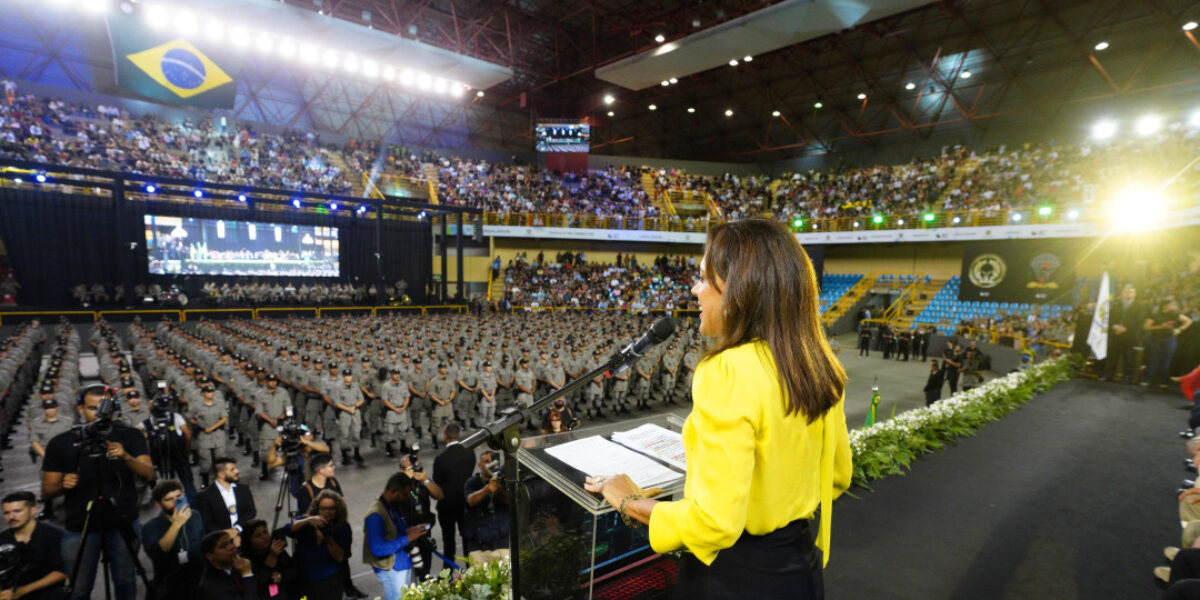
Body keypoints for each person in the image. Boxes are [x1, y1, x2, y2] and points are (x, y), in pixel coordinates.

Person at [586, 218, 851, 599]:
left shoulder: (729, 371)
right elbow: (837, 477)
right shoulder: (818, 362)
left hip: (734, 576)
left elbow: (714, 524)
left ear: (742, 291)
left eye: (704, 279)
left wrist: (629, 500)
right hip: (798, 569)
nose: (695, 291)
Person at [41, 385, 154, 600]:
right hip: (81, 524)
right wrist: (63, 484)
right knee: (80, 586)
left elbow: (149, 474)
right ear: (80, 408)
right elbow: (47, 490)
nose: (99, 415)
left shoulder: (129, 435)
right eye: (92, 408)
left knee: (125, 580)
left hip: (123, 520)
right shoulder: (61, 442)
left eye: (104, 408)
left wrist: (126, 457)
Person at [363, 472, 431, 599]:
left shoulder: (390, 506)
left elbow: (395, 531)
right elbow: (378, 549)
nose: (406, 498)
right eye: (405, 494)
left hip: (401, 565)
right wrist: (408, 538)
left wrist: (411, 530)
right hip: (391, 571)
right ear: (394, 492)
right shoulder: (375, 515)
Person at [140, 480, 205, 600]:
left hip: (199, 578)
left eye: (179, 496)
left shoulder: (195, 516)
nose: (176, 502)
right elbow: (158, 553)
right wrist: (176, 524)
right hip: (170, 584)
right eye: (169, 499)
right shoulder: (150, 526)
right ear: (159, 504)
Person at [0, 491, 66, 600]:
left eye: (17, 511)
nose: (11, 517)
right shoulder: (2, 539)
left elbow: (62, 571)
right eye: (7, 513)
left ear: (33, 510)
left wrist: (23, 591)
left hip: (50, 594)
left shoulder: (54, 535)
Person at [286, 490, 352, 600]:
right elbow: (287, 530)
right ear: (317, 509)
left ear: (337, 510)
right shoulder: (309, 522)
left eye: (331, 508)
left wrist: (328, 538)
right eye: (323, 509)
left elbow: (340, 557)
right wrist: (307, 520)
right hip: (304, 580)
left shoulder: (342, 527)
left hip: (330, 582)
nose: (328, 512)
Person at [431, 424, 474, 561]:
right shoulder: (469, 452)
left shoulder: (441, 459)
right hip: (465, 503)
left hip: (447, 505)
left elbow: (437, 481)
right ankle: (471, 570)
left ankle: (448, 574)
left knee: (448, 541)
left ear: (445, 436)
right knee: (467, 539)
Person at [398, 454, 442, 581]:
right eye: (411, 468)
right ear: (402, 470)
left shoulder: (422, 481)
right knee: (408, 577)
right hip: (406, 538)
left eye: (416, 467)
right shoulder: (397, 485)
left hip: (424, 534)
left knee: (425, 572)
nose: (415, 471)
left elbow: (440, 495)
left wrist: (426, 481)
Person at [462, 450, 510, 558]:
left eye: (493, 461)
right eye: (486, 461)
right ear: (479, 465)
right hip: (479, 546)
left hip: (503, 544)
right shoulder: (472, 482)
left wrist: (499, 490)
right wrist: (487, 489)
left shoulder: (504, 481)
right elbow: (471, 501)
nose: (490, 464)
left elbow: (511, 502)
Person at [196, 458, 258, 535]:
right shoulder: (205, 496)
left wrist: (237, 528)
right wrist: (226, 534)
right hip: (221, 539)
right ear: (221, 474)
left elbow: (251, 511)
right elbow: (207, 523)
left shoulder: (244, 489)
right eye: (232, 469)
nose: (237, 471)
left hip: (245, 534)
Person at [239, 520, 298, 600]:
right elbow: (259, 582)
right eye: (258, 536)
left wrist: (281, 576)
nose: (264, 537)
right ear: (249, 540)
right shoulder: (245, 559)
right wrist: (272, 557)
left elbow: (292, 570)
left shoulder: (275, 548)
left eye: (265, 532)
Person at [194, 530, 256, 600]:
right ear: (209, 556)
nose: (232, 547)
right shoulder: (211, 586)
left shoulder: (239, 565)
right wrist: (247, 574)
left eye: (231, 542)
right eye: (223, 546)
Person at [1104, 285, 1146, 383]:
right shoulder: (1116, 305)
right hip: (1115, 334)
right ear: (1122, 293)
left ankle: (1127, 377)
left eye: (1131, 292)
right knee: (1112, 356)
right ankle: (1108, 376)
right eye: (1127, 291)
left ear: (1135, 294)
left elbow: (1139, 320)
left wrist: (1125, 328)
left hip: (1130, 336)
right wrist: (1115, 326)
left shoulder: (1140, 306)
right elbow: (1110, 317)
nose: (1129, 293)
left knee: (1129, 357)